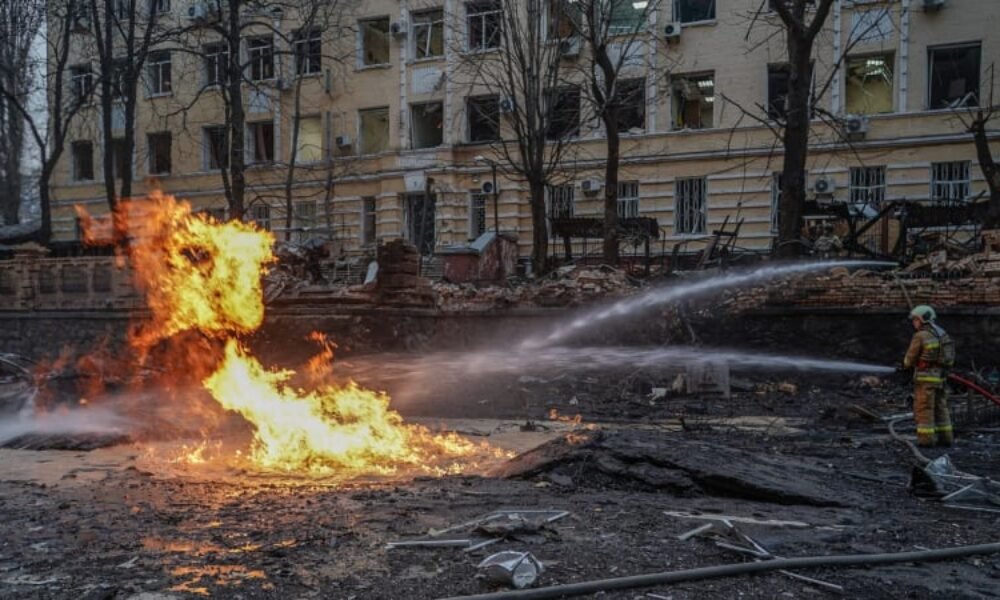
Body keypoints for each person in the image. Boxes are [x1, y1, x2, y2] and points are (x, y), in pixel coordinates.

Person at [901, 305, 955, 447]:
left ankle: (926, 441)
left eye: (914, 320)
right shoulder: (942, 333)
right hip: (941, 377)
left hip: (925, 379)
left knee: (924, 409)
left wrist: (905, 365)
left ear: (920, 320)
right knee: (941, 407)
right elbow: (950, 358)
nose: (914, 323)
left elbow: (909, 359)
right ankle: (946, 439)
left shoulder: (920, 336)